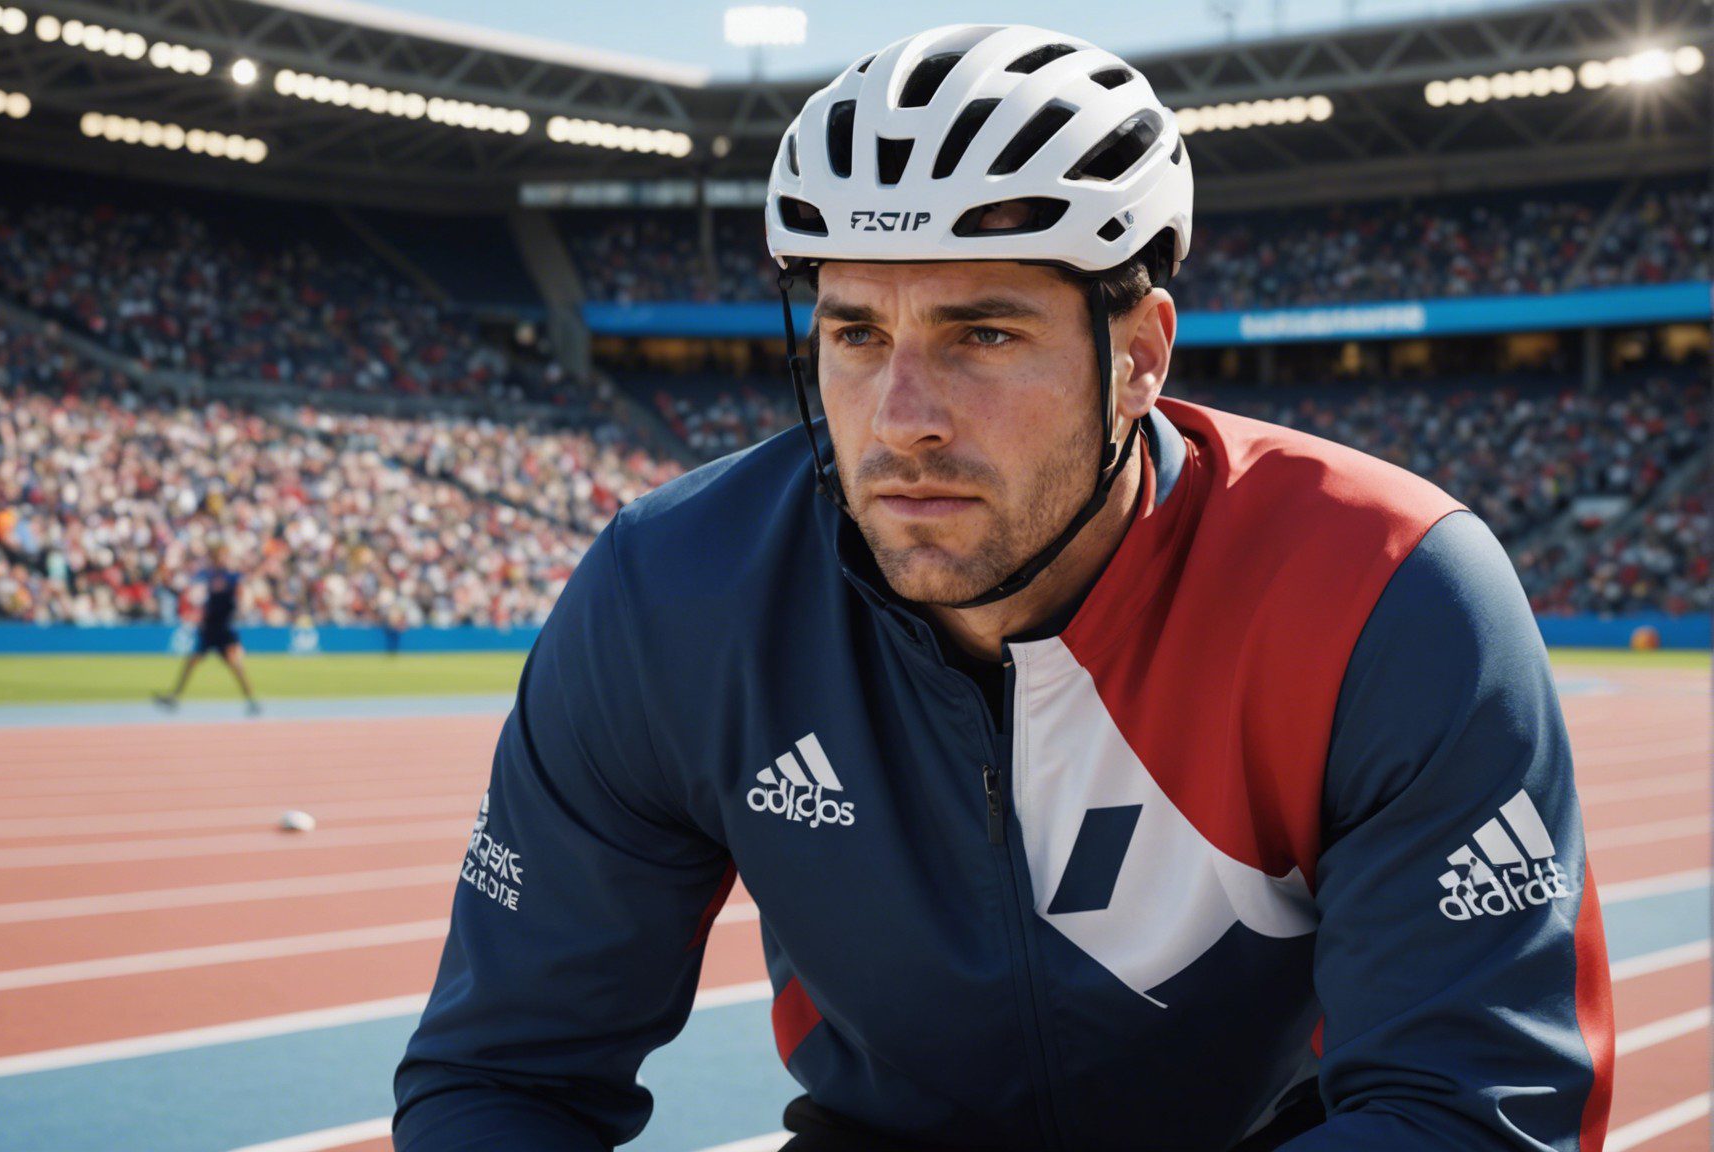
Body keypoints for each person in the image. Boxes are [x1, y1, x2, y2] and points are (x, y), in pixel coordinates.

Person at [395, 24, 1612, 1152]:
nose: (903, 421)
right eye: (857, 333)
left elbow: (1470, 1110)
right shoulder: (672, 596)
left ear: (1138, 356)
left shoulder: (1381, 590)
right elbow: (504, 1077)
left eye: (983, 334)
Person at [154, 542, 261, 714]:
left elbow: (240, 593)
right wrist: (170, 586)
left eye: (224, 556)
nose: (222, 559)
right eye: (219, 556)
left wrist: (241, 606)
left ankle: (252, 700)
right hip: (209, 629)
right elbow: (188, 593)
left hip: (224, 628)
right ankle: (174, 697)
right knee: (191, 663)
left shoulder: (231, 577)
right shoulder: (206, 576)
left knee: (236, 666)